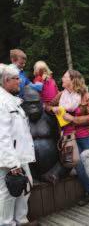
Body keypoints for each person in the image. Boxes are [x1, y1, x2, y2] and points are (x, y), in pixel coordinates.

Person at [45, 69, 89, 206]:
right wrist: (52, 109)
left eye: (65, 77)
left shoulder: (85, 96)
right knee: (79, 167)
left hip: (88, 136)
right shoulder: (60, 95)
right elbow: (46, 106)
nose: (62, 79)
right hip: (69, 138)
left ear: (72, 80)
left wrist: (73, 118)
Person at [0, 64, 36, 225]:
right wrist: (12, 163)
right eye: (17, 79)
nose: (20, 83)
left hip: (20, 155)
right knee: (8, 193)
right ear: (6, 80)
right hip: (10, 159)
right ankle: (7, 224)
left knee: (25, 188)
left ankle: (21, 220)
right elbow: (2, 136)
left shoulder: (12, 100)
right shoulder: (2, 103)